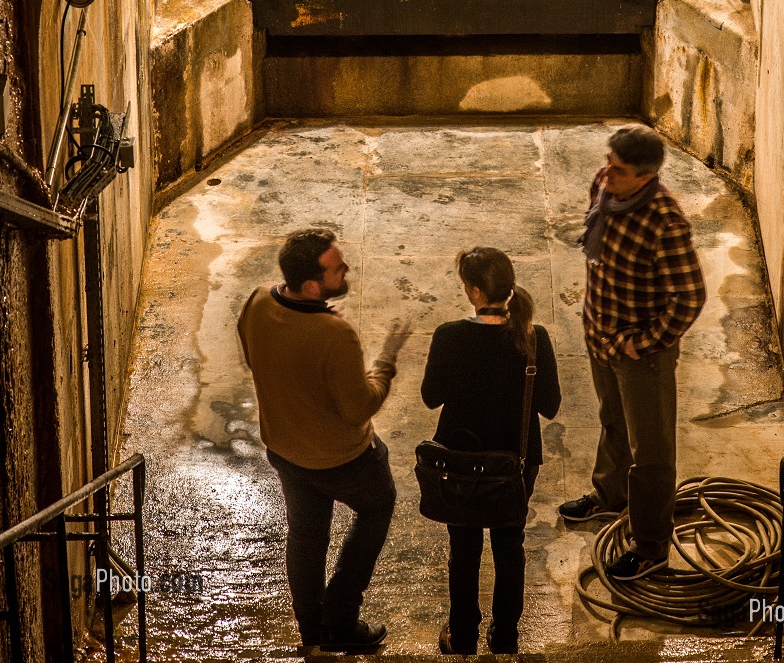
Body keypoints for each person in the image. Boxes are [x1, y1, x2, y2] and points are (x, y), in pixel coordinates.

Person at [237, 228, 412, 654]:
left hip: (285, 450)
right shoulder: (336, 334)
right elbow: (358, 408)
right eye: (338, 267)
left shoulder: (258, 301)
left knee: (306, 536)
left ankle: (313, 633)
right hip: (343, 459)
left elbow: (253, 355)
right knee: (378, 505)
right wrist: (385, 362)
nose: (347, 268)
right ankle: (342, 617)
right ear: (313, 286)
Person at [557, 124, 706, 581]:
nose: (606, 173)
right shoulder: (605, 189)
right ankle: (609, 496)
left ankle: (651, 546)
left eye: (618, 170)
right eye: (608, 162)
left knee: (652, 452)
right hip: (600, 334)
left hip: (642, 355)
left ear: (644, 177)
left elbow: (690, 297)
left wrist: (641, 343)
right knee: (611, 419)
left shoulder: (665, 221)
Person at [421, 247, 561, 655]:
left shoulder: (449, 336)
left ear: (476, 292)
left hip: (459, 462)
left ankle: (462, 636)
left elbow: (432, 397)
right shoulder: (534, 339)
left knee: (463, 549)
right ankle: (505, 637)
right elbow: (550, 406)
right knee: (508, 545)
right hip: (515, 462)